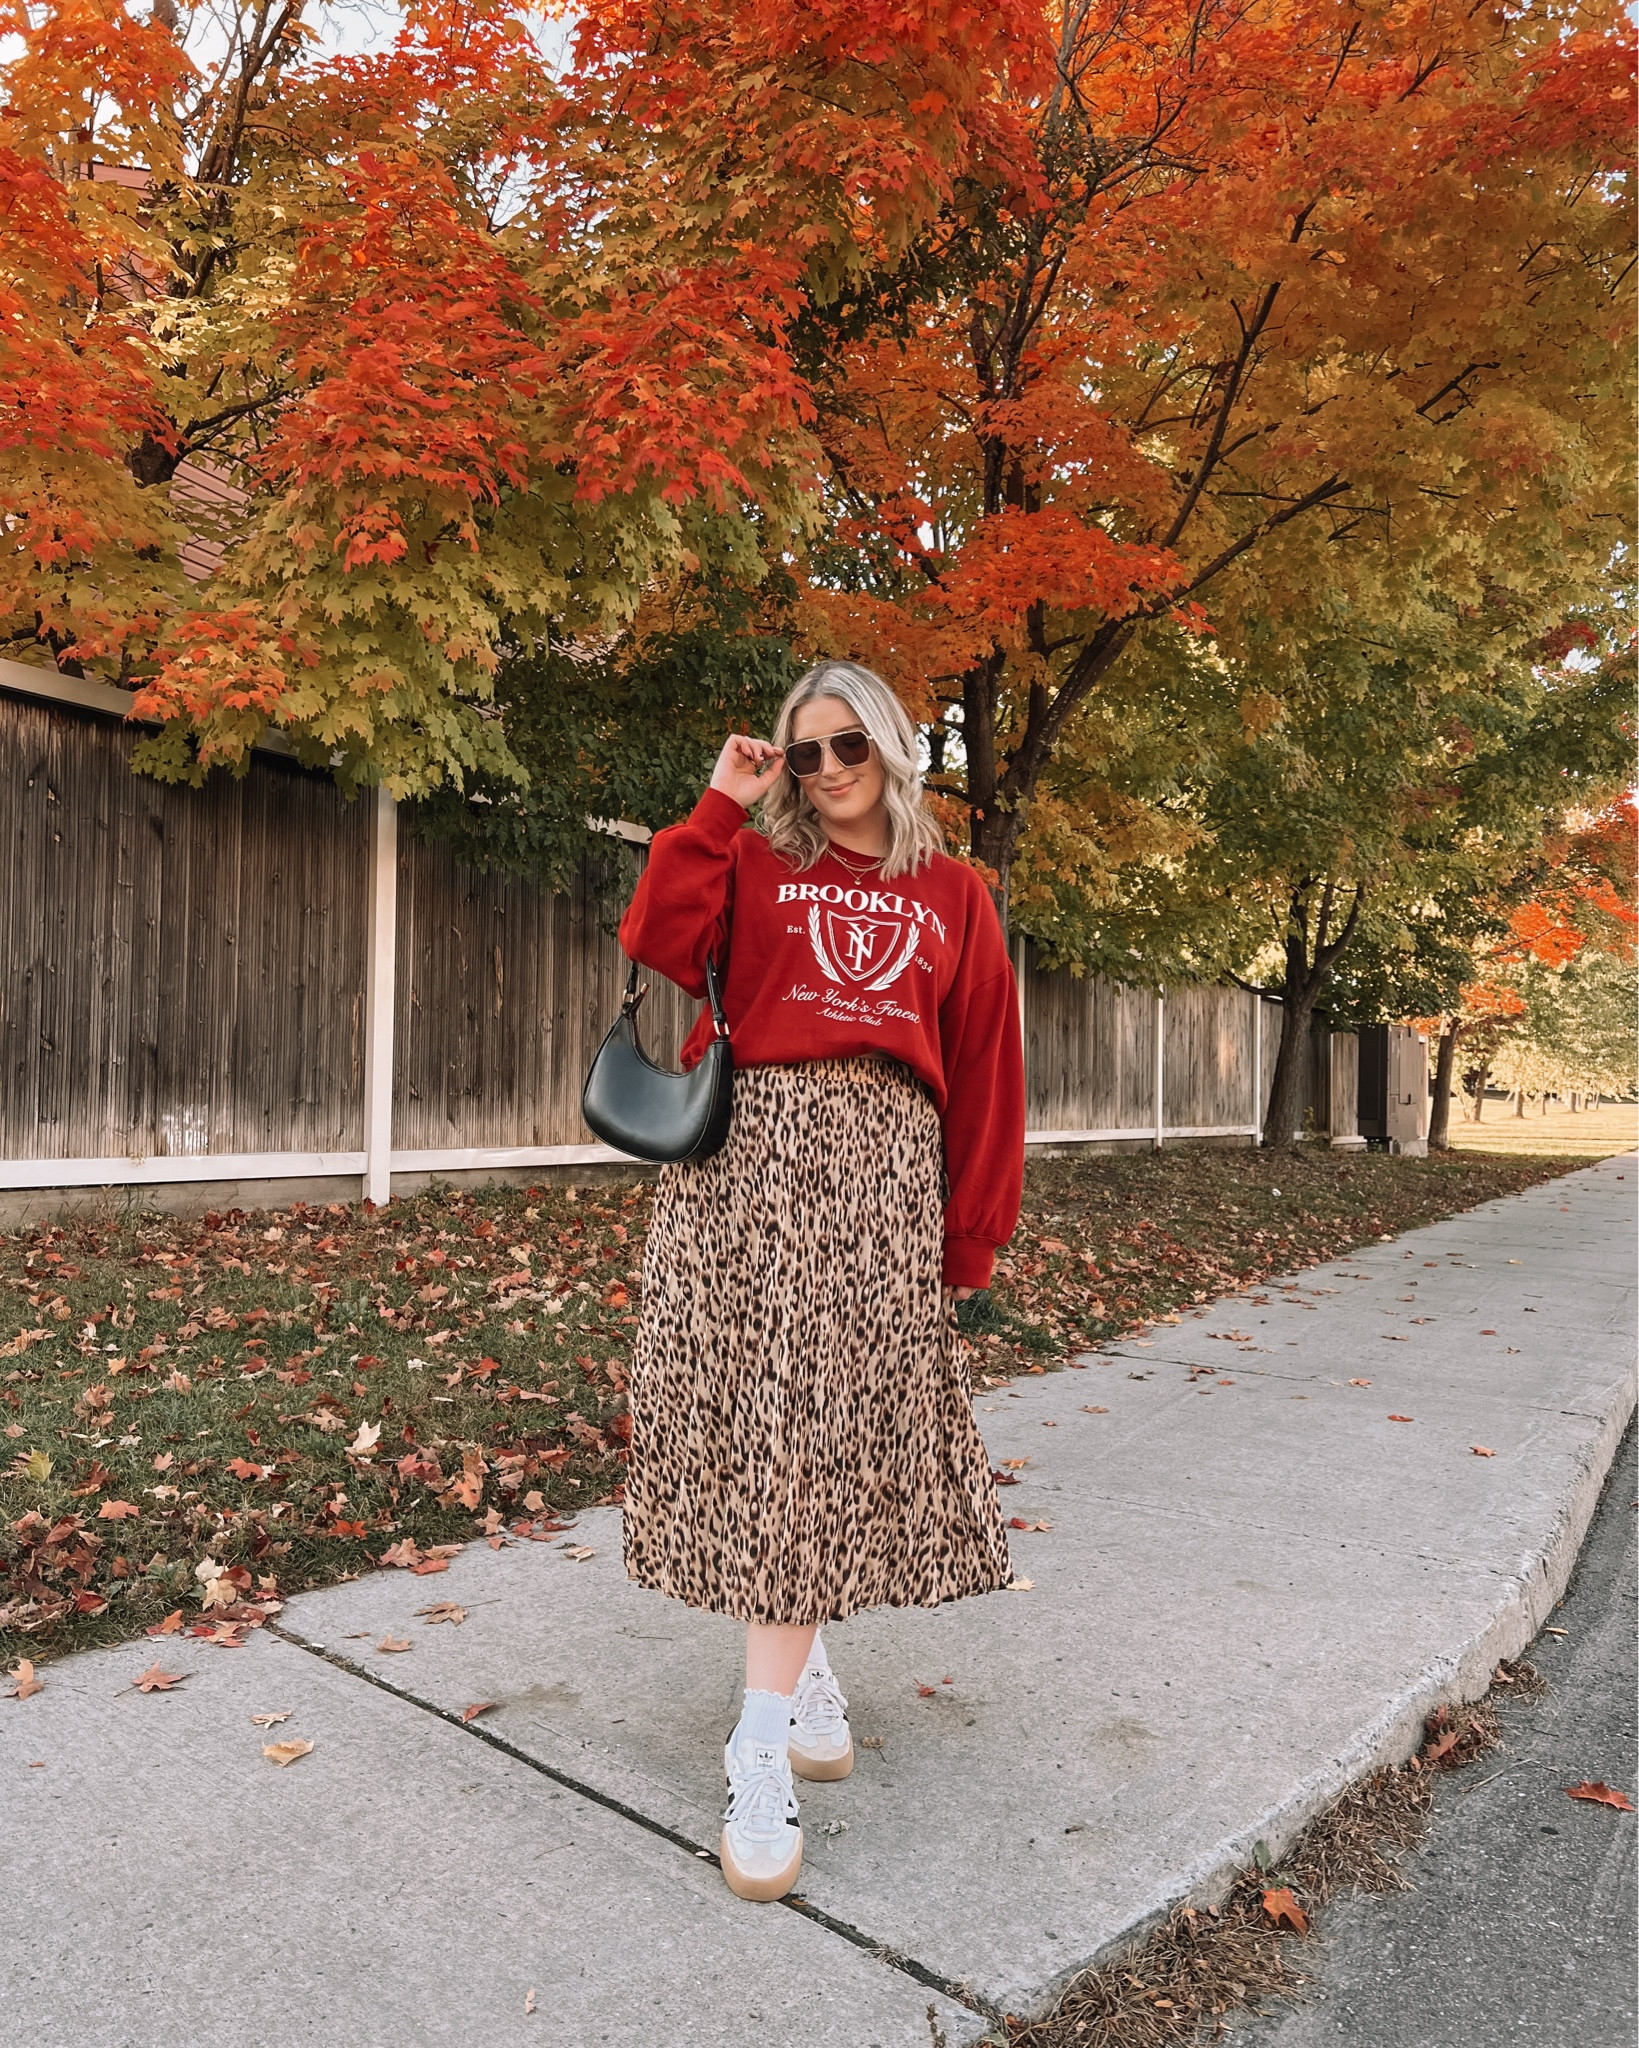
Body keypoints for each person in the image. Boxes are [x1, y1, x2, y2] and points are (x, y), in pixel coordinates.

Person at [618, 658, 1025, 1902]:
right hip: (744, 1171)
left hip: (879, 1182)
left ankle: (773, 1711)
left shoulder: (955, 893)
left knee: (824, 1435)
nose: (830, 769)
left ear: (891, 746)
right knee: (771, 1433)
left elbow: (987, 1070)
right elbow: (657, 940)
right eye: (806, 751)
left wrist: (967, 1239)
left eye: (850, 744)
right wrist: (718, 804)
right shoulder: (751, 862)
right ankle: (772, 1721)